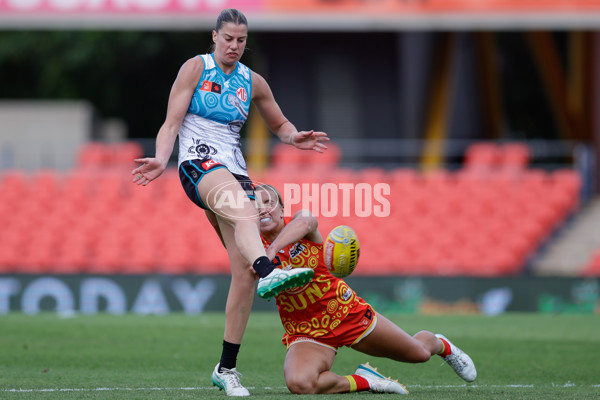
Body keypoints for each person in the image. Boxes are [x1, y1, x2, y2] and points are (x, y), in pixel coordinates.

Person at [131, 8, 329, 397]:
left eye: (241, 40)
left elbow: (278, 123)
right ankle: (269, 268)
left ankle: (226, 368)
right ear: (215, 36)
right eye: (228, 39)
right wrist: (160, 157)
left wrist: (294, 137)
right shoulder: (195, 68)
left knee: (243, 274)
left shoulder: (252, 81)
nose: (234, 46)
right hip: (197, 162)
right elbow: (172, 122)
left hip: (234, 168)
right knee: (245, 211)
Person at [254, 184, 477, 395]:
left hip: (346, 313)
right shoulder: (252, 248)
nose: (262, 208)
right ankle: (366, 380)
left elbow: (307, 221)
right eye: (256, 206)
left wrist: (272, 251)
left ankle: (438, 343)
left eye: (268, 202)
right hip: (306, 332)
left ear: (282, 209)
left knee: (419, 354)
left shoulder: (299, 224)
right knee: (300, 383)